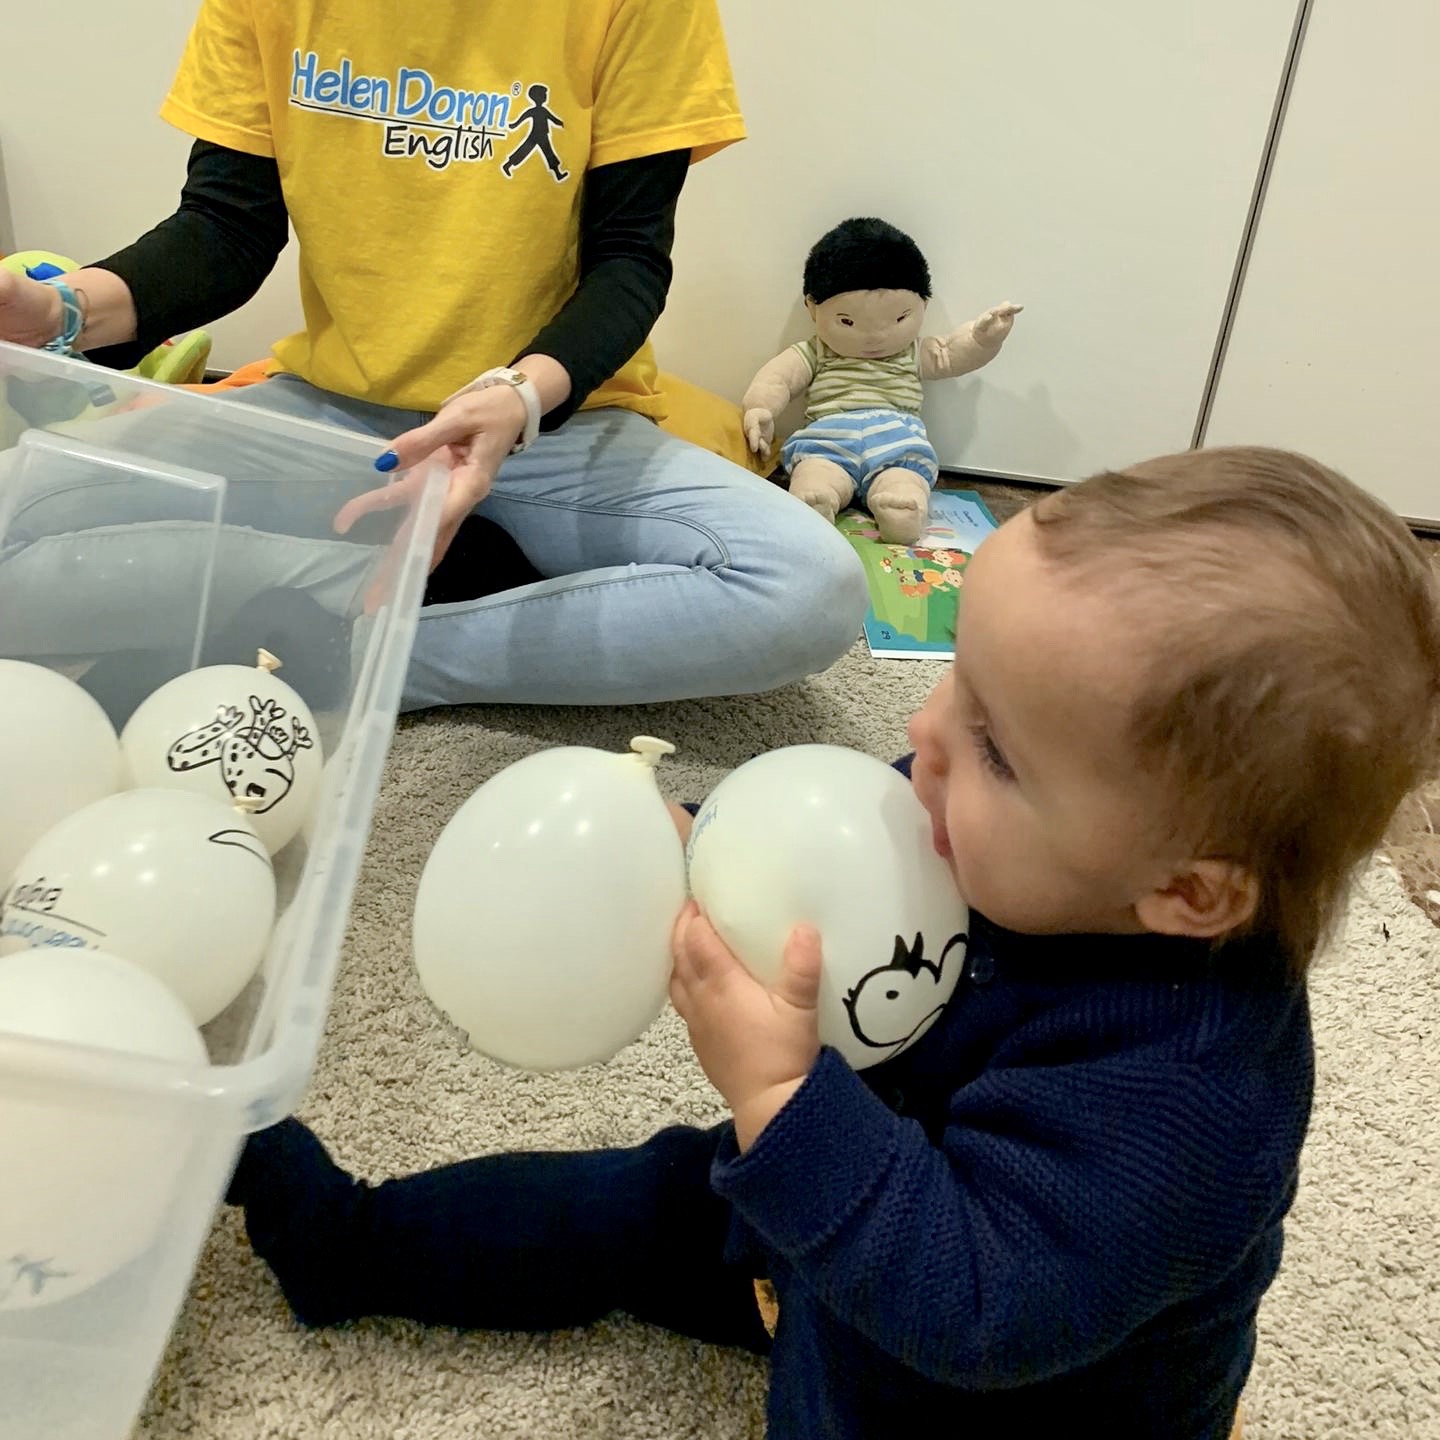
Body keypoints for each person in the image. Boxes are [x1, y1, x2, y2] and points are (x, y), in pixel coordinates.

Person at [227, 445, 1440, 1437]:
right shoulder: (1014, 850)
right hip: (857, 1173)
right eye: (957, 684)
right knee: (643, 1199)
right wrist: (720, 845)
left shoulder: (1188, 1099)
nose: (924, 735)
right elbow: (852, 863)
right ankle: (348, 1245)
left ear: (1185, 891)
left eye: (998, 751)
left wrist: (779, 1090)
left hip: (975, 1383)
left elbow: (974, 1308)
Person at [0, 0, 867, 712]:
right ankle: (386, 576)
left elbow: (629, 262)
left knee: (808, 588)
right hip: (335, 423)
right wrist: (60, 309)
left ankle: (377, 654)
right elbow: (227, 229)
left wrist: (519, 398)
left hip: (551, 424)